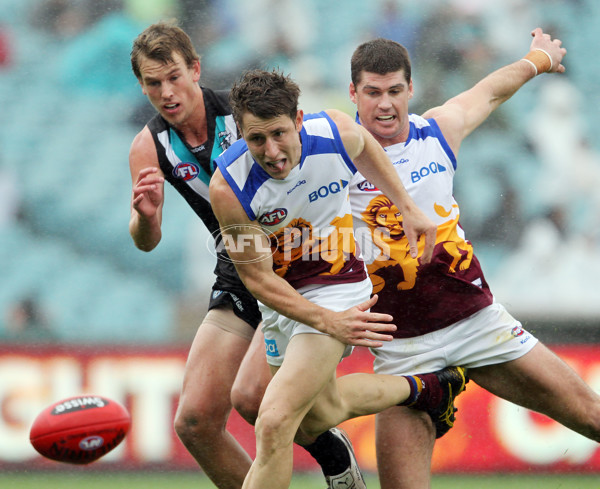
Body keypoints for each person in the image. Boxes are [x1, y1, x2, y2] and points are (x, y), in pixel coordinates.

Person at [128, 21, 380, 489]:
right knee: (195, 422)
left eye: (175, 77)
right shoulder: (149, 146)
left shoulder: (248, 114)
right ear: (141, 86)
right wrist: (145, 217)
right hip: (237, 263)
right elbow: (147, 242)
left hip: (296, 263)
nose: (167, 92)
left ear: (196, 69)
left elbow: (327, 147)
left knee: (254, 399)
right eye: (153, 83)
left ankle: (333, 453)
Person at [347, 28, 600, 489]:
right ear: (353, 93)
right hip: (401, 351)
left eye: (395, 91)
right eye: (373, 92)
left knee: (591, 415)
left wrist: (539, 59)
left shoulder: (437, 129)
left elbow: (491, 90)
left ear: (411, 90)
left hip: (477, 324)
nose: (385, 105)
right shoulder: (332, 159)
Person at [209, 68, 468, 489]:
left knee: (274, 421)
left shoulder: (335, 132)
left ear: (298, 119)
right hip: (281, 298)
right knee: (320, 414)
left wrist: (404, 205)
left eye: (279, 133)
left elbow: (365, 146)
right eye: (256, 139)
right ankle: (427, 389)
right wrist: (321, 322)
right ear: (240, 134)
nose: (272, 151)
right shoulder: (228, 187)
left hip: (339, 287)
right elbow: (257, 279)